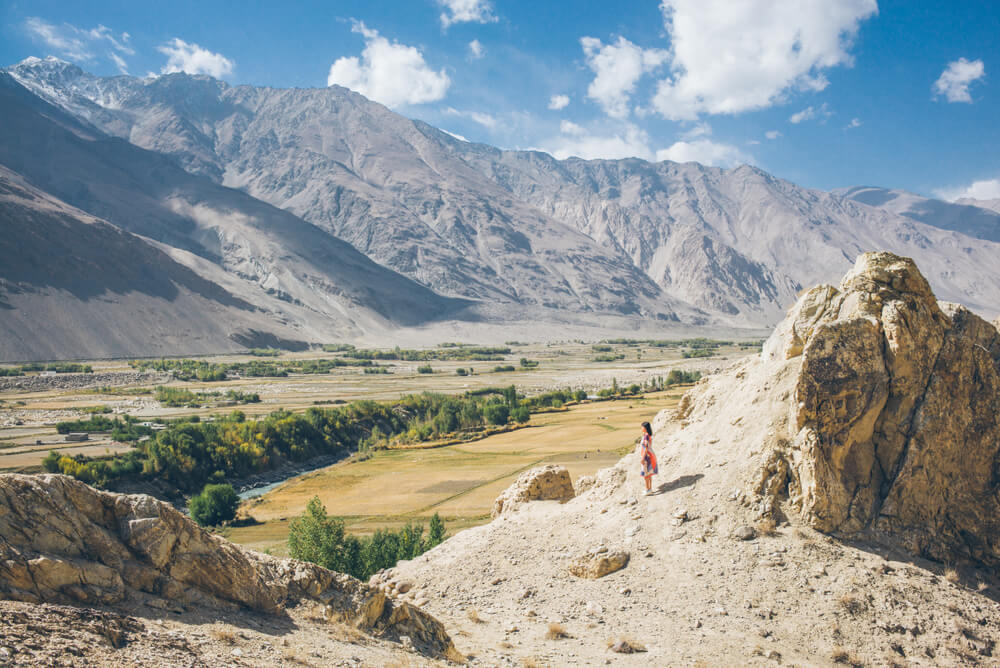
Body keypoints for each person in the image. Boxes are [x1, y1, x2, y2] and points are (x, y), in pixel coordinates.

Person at [636, 421, 657, 495]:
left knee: (645, 474)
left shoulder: (646, 436)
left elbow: (645, 448)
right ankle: (649, 489)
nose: (641, 428)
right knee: (649, 473)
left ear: (645, 428)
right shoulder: (648, 435)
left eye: (642, 427)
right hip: (649, 455)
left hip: (646, 456)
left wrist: (643, 458)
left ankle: (647, 489)